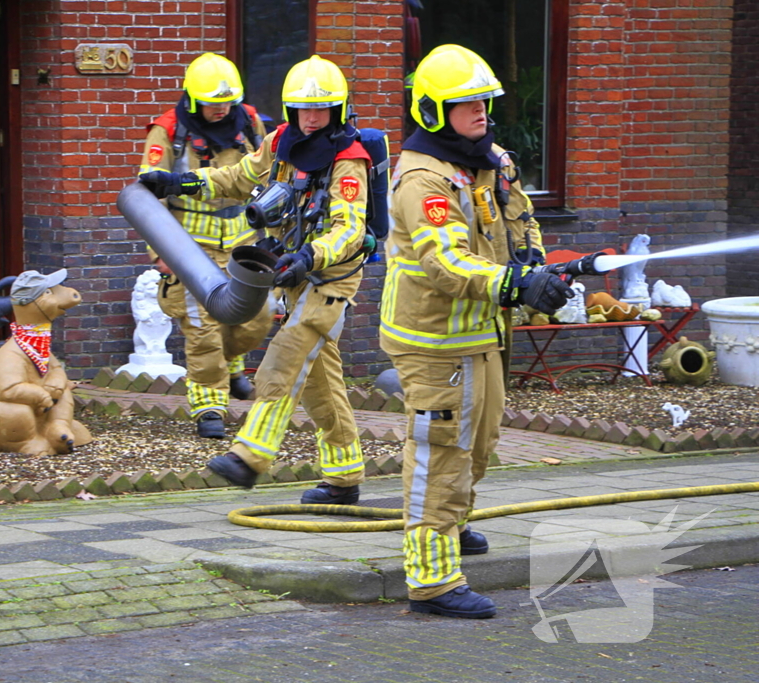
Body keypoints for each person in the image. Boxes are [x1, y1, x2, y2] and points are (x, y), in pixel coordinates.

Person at [380, 44, 572, 619]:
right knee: (441, 453)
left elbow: (522, 221)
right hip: (434, 340)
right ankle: (432, 578)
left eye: (485, 101)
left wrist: (536, 264)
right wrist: (517, 286)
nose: (481, 111)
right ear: (435, 112)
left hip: (481, 333)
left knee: (479, 443)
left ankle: (451, 524)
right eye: (467, 103)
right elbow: (446, 262)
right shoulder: (422, 179)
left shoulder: (490, 161)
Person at [140, 55, 372, 505]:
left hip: (331, 276)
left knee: (285, 355)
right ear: (289, 110)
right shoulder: (281, 141)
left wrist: (309, 255)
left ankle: (249, 457)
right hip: (292, 270)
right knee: (322, 379)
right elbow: (239, 176)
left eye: (321, 109)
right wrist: (181, 183)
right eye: (303, 109)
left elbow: (350, 227)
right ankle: (344, 478)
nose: (312, 118)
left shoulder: (349, 159)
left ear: (338, 110)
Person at [139, 52, 275, 439]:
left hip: (245, 243)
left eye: (228, 100)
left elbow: (266, 172)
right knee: (201, 328)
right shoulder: (167, 132)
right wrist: (160, 252)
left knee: (259, 316)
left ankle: (231, 367)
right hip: (190, 247)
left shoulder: (248, 121)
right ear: (194, 100)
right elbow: (148, 197)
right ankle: (209, 405)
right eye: (214, 102)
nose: (223, 109)